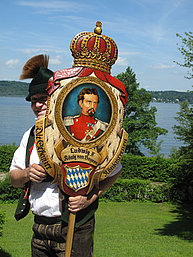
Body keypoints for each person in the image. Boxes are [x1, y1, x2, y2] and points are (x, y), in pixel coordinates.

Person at [10, 55, 122, 257]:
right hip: (39, 228)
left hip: (74, 227)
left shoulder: (76, 134)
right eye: (33, 101)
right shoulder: (30, 136)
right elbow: (13, 179)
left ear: (55, 99)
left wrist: (89, 198)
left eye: (43, 99)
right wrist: (27, 174)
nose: (38, 106)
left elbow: (114, 171)